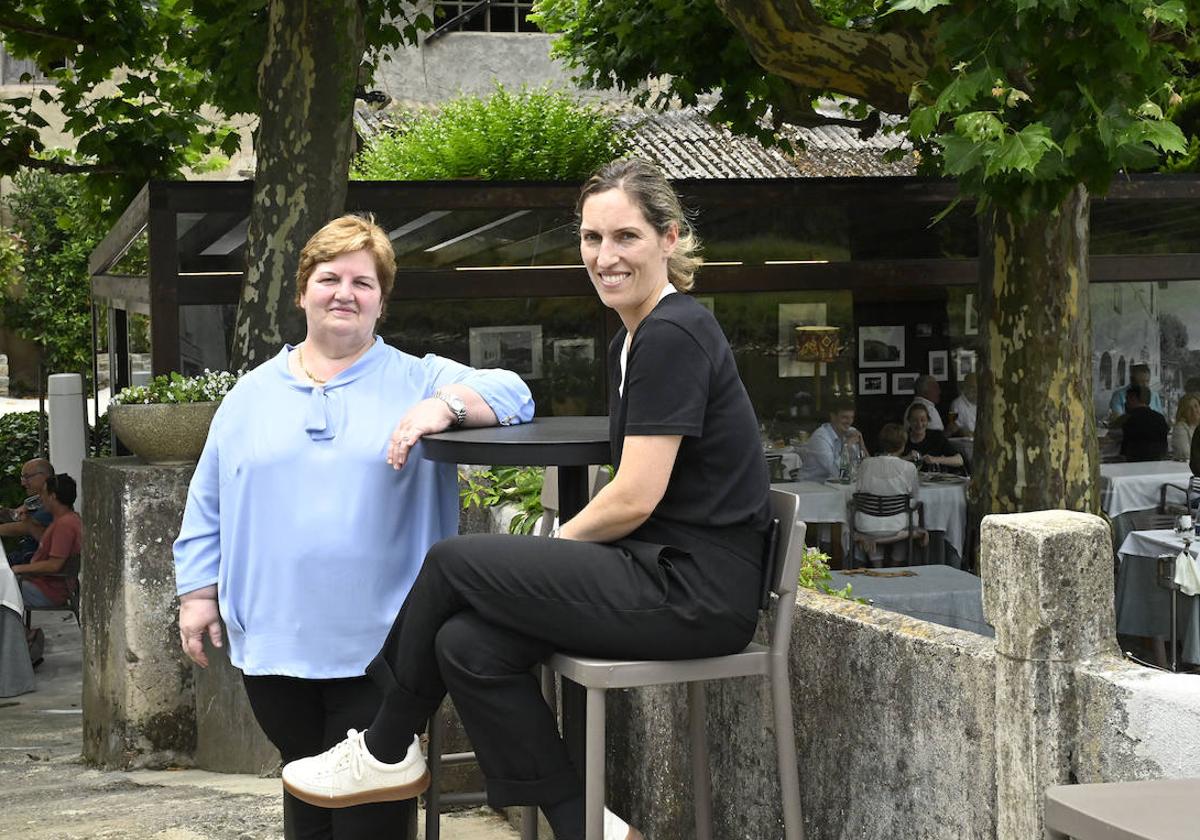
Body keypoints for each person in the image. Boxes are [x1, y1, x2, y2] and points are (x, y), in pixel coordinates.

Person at [279, 160, 771, 840]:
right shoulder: (634, 338)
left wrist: (549, 551)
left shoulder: (672, 333)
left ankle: (384, 744)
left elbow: (632, 496)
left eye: (625, 237)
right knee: (467, 644)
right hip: (661, 572)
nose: (606, 257)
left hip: (693, 591)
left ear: (670, 238)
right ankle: (588, 829)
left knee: (455, 563)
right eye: (592, 239)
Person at [172, 214, 534, 840]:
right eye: (330, 277)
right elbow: (208, 500)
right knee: (305, 787)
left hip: (384, 650)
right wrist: (198, 594)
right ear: (303, 290)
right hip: (275, 644)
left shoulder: (420, 378)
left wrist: (440, 408)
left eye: (363, 282)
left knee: (371, 809)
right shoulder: (250, 395)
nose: (345, 292)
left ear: (382, 300)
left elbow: (514, 393)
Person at [12, 473, 82, 610]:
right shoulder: (66, 519)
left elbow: (54, 565)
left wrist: (18, 569)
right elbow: (46, 542)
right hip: (41, 584)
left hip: (47, 591)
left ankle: (19, 631)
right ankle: (23, 631)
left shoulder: (65, 525)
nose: (41, 498)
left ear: (53, 496)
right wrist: (28, 522)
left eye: (43, 493)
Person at [853, 423, 921, 564]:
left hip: (867, 524)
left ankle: (877, 565)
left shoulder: (866, 464)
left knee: (877, 524)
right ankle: (896, 564)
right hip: (897, 525)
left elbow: (857, 490)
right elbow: (915, 495)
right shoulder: (909, 467)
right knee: (906, 516)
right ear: (903, 445)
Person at [0, 458, 54, 566]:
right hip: (26, 557)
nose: (23, 482)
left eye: (27, 477)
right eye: (22, 477)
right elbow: (16, 515)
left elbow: (23, 527)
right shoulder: (38, 498)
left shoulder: (54, 502)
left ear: (44, 476)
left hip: (34, 563)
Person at [796, 399, 867, 481]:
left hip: (836, 486)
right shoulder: (820, 437)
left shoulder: (851, 432)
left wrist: (862, 444)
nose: (849, 422)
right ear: (833, 416)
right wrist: (847, 446)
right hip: (810, 487)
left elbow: (867, 466)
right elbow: (838, 472)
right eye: (845, 417)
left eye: (852, 417)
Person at [902, 403, 964, 472]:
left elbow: (959, 460)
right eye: (915, 420)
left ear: (928, 420)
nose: (919, 424)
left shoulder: (936, 436)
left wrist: (935, 459)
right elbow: (889, 461)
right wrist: (906, 458)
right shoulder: (903, 438)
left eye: (923, 420)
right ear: (909, 421)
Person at [1117, 385, 1169, 462]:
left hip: (1132, 464)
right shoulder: (1160, 418)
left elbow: (1122, 443)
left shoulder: (1127, 419)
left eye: (1127, 399)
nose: (1126, 402)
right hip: (1157, 463)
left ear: (1133, 399)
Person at [1170, 394, 1200, 461]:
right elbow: (1185, 454)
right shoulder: (1180, 428)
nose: (1194, 410)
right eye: (1189, 408)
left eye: (1196, 406)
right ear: (1183, 412)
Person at [948, 372, 978, 438]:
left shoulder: (984, 403)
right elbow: (952, 426)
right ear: (965, 387)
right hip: (966, 444)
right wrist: (963, 432)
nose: (976, 391)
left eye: (978, 387)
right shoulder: (955, 404)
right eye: (972, 387)